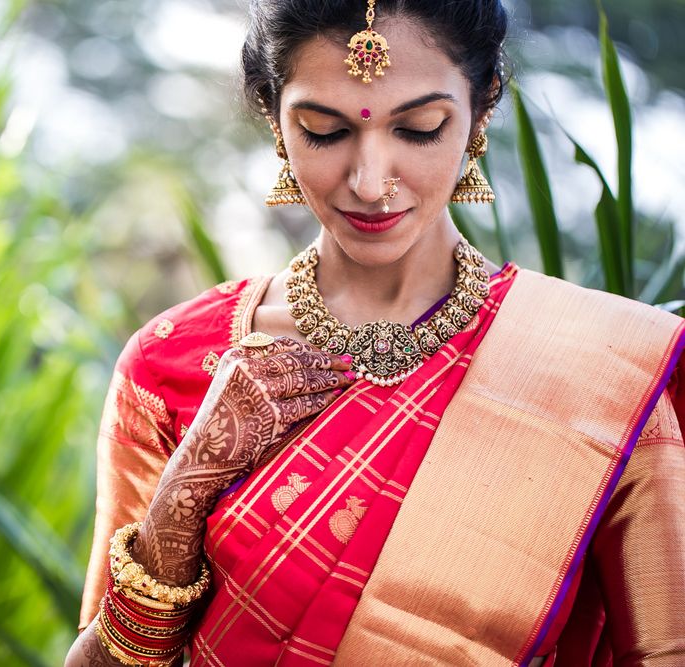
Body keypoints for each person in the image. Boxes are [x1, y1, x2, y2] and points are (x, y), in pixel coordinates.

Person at [65, 0, 685, 664]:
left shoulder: (600, 372)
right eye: (324, 131)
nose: (370, 182)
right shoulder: (175, 362)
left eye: (419, 128)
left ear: (482, 112)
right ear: (276, 120)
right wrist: (184, 492)